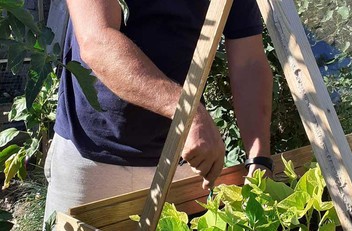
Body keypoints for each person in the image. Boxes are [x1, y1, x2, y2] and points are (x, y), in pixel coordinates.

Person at [43, 0, 274, 224]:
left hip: (181, 161)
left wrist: (259, 158)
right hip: (93, 161)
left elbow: (248, 62)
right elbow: (97, 41)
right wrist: (188, 114)